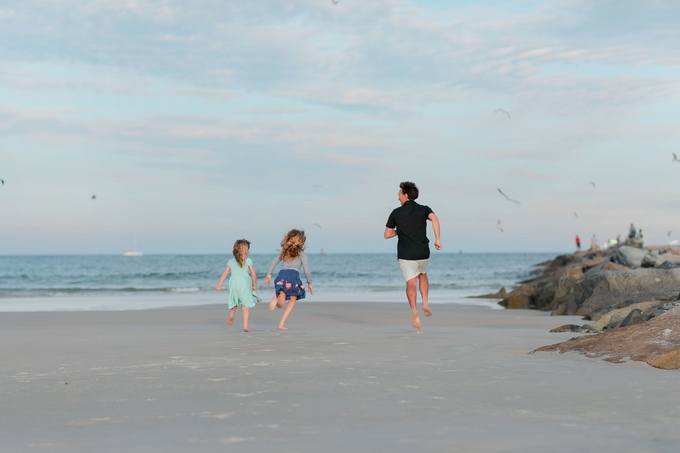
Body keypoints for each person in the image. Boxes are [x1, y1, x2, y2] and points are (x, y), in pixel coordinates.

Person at [384, 181, 441, 330]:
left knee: (410, 282)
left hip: (406, 254)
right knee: (422, 274)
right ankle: (426, 303)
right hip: (422, 251)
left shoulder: (396, 213)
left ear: (406, 195)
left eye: (399, 195)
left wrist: (400, 231)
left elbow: (387, 235)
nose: (398, 198)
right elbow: (435, 219)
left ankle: (414, 310)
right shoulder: (424, 209)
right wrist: (437, 239)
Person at [264, 229, 313, 330]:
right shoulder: (302, 254)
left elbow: (274, 262)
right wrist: (309, 282)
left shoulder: (284, 252)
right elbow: (306, 270)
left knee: (281, 303)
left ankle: (276, 300)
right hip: (293, 278)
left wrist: (269, 274)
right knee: (292, 301)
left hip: (281, 276)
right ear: (301, 242)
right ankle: (281, 324)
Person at [215, 239, 259, 332]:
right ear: (246, 250)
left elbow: (225, 273)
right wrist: (254, 285)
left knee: (234, 300)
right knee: (245, 305)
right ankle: (245, 326)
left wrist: (219, 284)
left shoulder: (231, 261)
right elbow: (253, 274)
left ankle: (231, 314)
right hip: (244, 283)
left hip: (233, 283)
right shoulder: (248, 260)